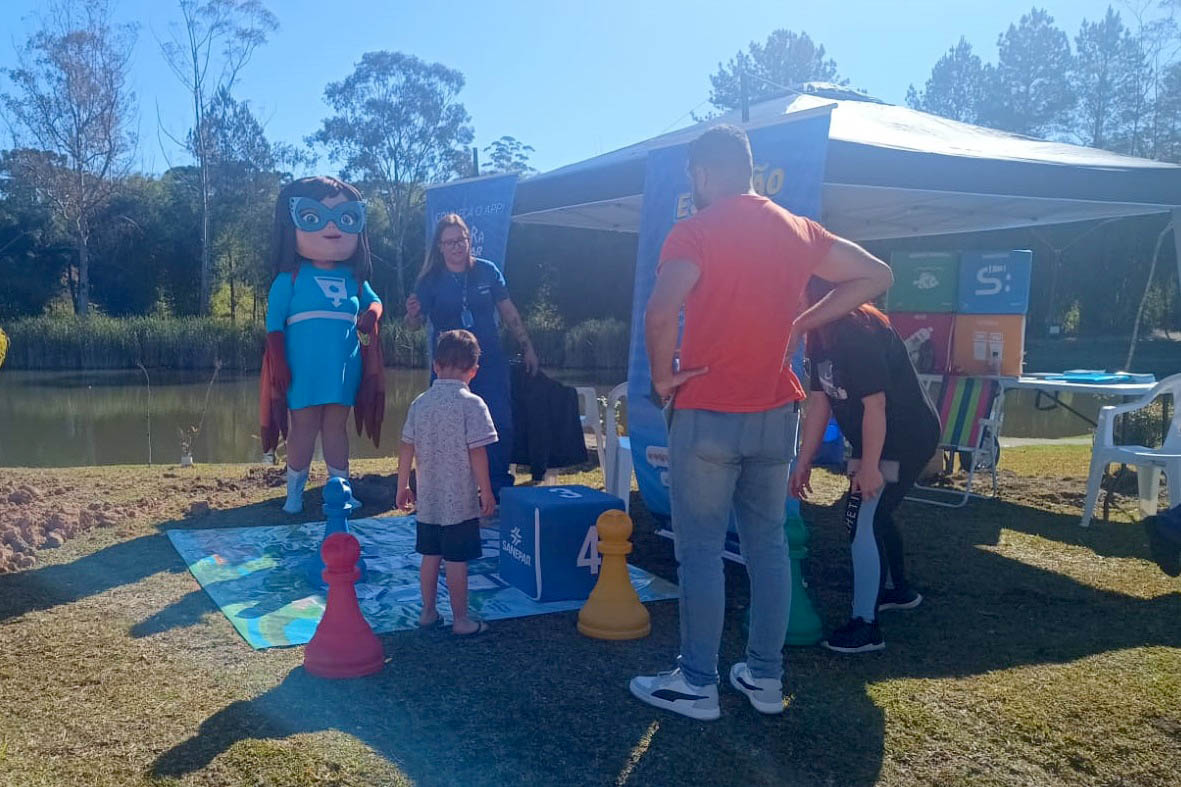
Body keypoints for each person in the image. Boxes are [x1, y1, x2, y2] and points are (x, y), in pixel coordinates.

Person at [628, 124, 893, 721]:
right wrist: (804, 321)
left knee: (699, 552)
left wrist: (662, 379)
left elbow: (662, 307)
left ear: (701, 174)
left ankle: (697, 682)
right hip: (777, 412)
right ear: (746, 169)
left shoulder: (694, 230)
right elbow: (877, 274)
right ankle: (765, 678)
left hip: (707, 412)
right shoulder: (798, 228)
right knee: (767, 547)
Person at [790, 277, 940, 655]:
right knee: (873, 513)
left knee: (862, 517)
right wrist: (803, 460)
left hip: (904, 437)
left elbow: (876, 406)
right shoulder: (819, 334)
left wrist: (870, 466)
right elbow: (821, 403)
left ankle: (867, 626)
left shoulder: (856, 333)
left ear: (820, 298)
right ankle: (898, 591)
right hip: (876, 437)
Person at [263, 176, 382, 515]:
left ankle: (341, 489)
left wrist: (371, 315)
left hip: (344, 367)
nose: (333, 227)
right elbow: (274, 325)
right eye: (313, 216)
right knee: (302, 427)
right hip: (302, 369)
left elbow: (375, 303)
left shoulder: (354, 279)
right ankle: (294, 494)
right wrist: (279, 363)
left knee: (335, 427)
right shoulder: (290, 279)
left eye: (346, 217)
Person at [405, 214, 539, 499]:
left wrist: (527, 345)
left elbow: (508, 312)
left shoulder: (487, 271)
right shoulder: (430, 280)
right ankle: (451, 490)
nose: (456, 247)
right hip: (448, 368)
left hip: (487, 363)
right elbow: (414, 324)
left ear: (469, 240)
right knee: (447, 425)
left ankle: (498, 487)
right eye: (449, 242)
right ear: (440, 247)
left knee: (498, 421)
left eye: (461, 240)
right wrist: (412, 314)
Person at [396, 330, 498, 636]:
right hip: (460, 503)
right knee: (457, 560)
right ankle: (461, 620)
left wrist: (402, 485)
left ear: (435, 365)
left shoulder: (420, 403)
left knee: (430, 557)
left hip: (428, 500)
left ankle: (428, 612)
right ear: (474, 371)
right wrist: (487, 491)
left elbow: (406, 446)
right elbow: (477, 453)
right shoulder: (473, 404)